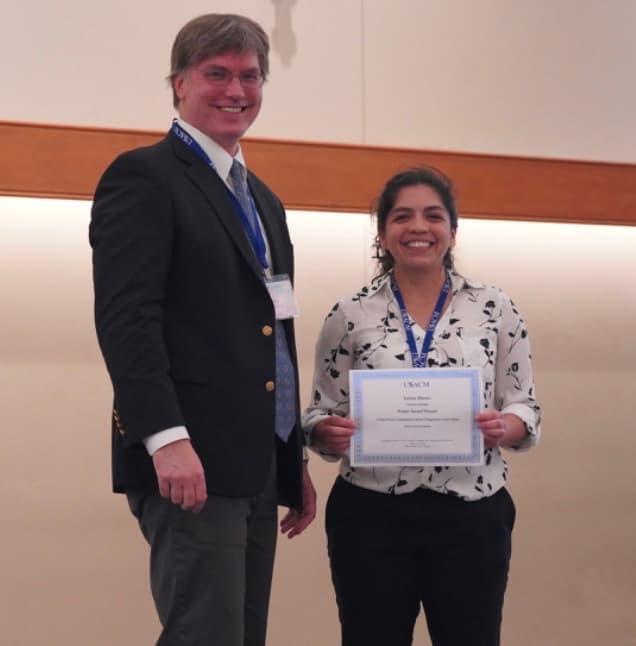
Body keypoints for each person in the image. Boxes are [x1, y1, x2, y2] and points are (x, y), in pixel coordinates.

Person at [89, 13, 316, 646]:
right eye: (217, 73)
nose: (235, 90)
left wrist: (289, 453)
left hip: (255, 464)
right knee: (203, 635)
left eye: (250, 76)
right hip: (189, 458)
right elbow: (126, 319)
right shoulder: (143, 177)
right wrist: (165, 438)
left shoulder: (262, 199)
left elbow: (275, 332)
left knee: (240, 636)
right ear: (180, 83)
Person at [303, 167, 541, 646]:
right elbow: (317, 411)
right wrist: (325, 432)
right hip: (369, 515)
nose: (418, 228)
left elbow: (525, 405)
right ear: (383, 233)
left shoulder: (495, 307)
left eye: (433, 216)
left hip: (471, 514)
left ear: (452, 232)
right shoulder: (349, 312)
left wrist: (506, 426)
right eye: (401, 216)